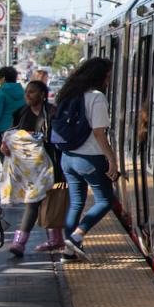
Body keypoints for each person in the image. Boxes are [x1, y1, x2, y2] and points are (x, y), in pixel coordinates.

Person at [55, 57, 118, 262]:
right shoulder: (97, 97)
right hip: (89, 159)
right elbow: (99, 133)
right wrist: (111, 159)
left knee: (76, 203)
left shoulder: (69, 93)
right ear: (99, 76)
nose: (108, 81)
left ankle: (68, 252)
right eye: (107, 76)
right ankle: (77, 236)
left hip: (67, 158)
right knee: (105, 200)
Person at [2, 80, 64, 256]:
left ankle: (43, 240)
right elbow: (12, 134)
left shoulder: (53, 112)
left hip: (53, 164)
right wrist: (6, 144)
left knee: (48, 201)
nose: (28, 95)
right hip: (30, 168)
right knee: (33, 201)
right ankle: (31, 241)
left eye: (32, 92)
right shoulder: (21, 113)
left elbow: (60, 138)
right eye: (27, 92)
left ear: (43, 94)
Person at [0, 66, 25, 161]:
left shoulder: (1, 92)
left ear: (3, 78)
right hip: (19, 128)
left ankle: (7, 175)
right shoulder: (23, 91)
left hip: (2, 129)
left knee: (4, 157)